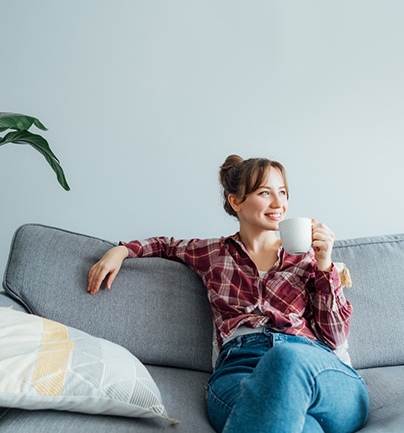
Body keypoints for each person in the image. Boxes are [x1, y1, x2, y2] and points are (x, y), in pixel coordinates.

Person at [87, 155, 369, 433]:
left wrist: (324, 264)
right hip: (240, 369)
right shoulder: (213, 254)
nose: (278, 203)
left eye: (282, 192)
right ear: (236, 201)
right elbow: (166, 245)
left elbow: (334, 337)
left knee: (286, 359)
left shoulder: (308, 258)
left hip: (311, 365)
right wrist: (122, 250)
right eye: (265, 192)